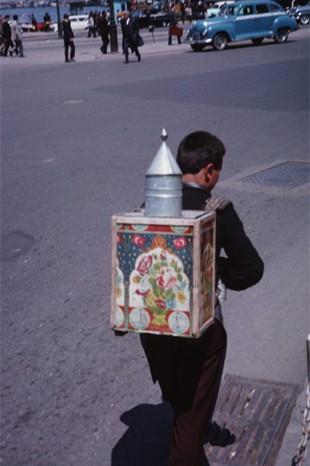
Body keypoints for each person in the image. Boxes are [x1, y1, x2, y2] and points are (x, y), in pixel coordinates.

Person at [139, 130, 264, 466]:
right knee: (191, 420)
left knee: (182, 402)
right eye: (218, 171)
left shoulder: (149, 203)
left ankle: (189, 426)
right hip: (200, 334)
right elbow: (251, 268)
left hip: (154, 329)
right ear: (209, 170)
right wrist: (215, 269)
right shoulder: (217, 210)